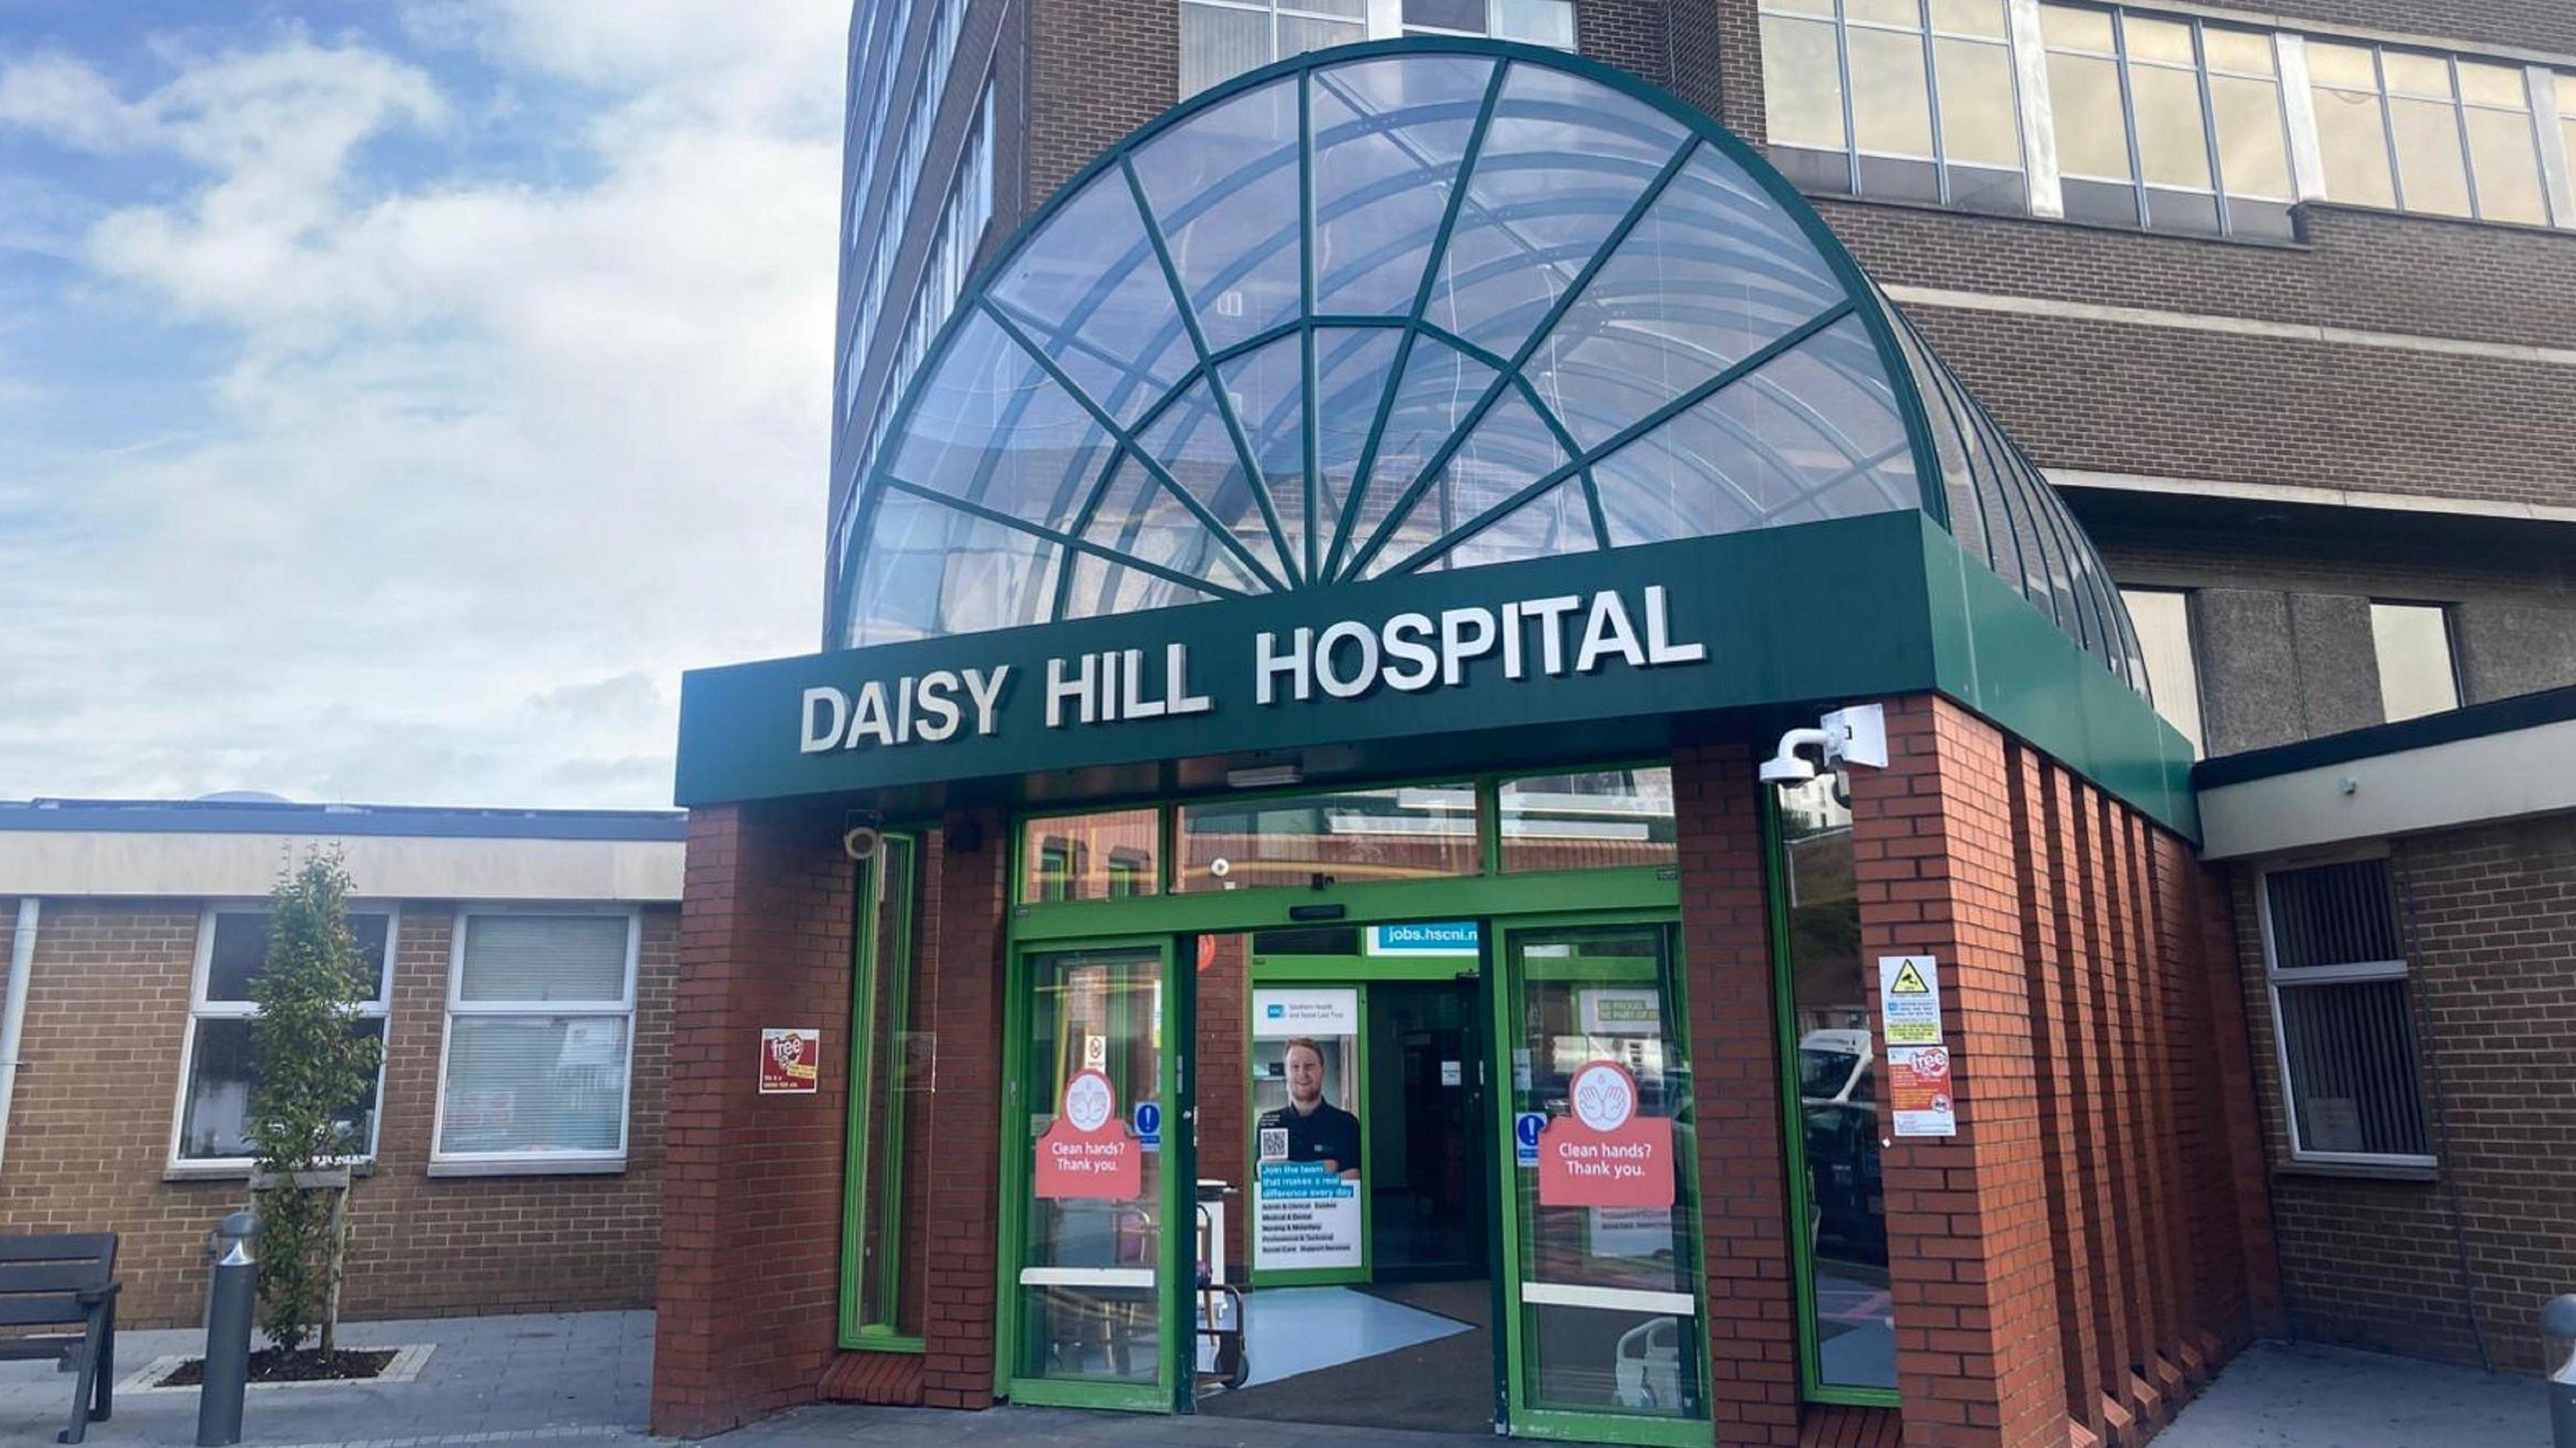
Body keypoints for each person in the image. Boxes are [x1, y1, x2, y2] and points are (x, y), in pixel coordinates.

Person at [1258, 1036, 1361, 1179]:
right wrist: (1326, 1167)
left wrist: (1288, 1172)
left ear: (1322, 1070)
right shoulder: (1271, 1122)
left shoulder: (1346, 1123)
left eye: (1309, 1066)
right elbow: (1266, 1172)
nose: (1302, 1074)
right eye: (1295, 1067)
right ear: (1286, 1072)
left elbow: (1353, 1175)